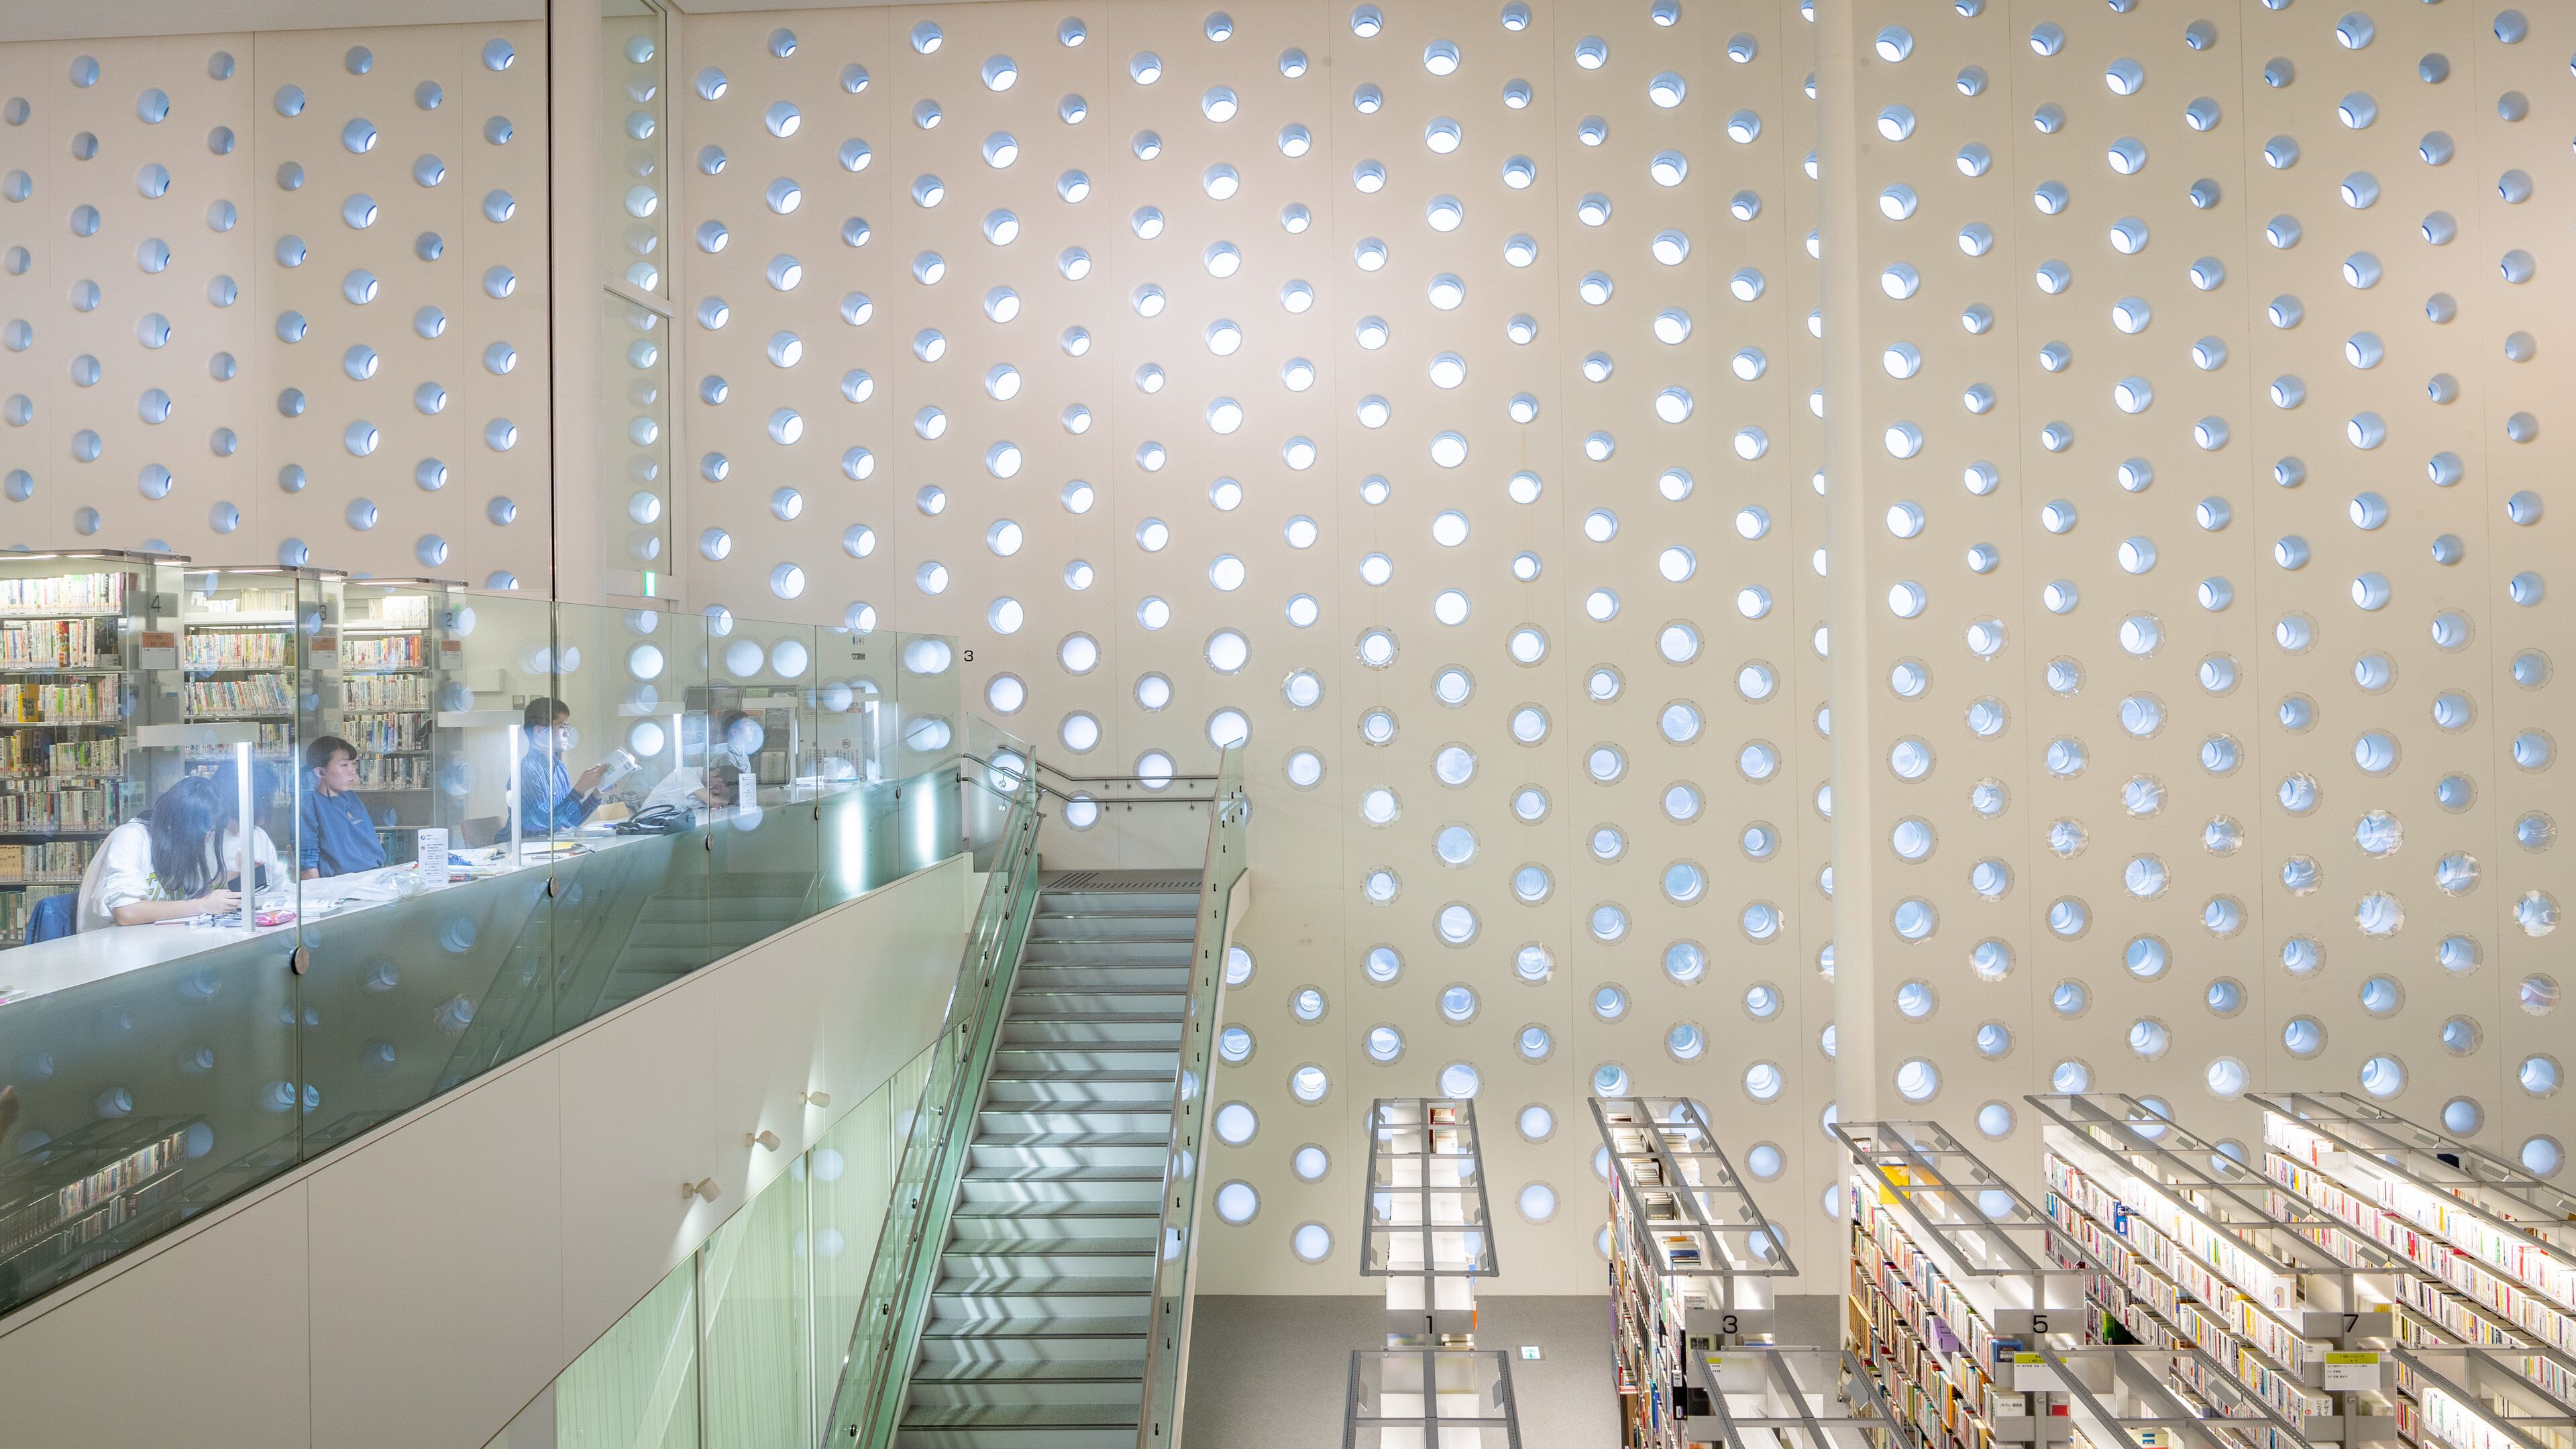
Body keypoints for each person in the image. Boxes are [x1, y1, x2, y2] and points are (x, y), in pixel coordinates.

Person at [75, 773, 284, 931]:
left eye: (211, 831)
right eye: (204, 831)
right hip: (110, 952)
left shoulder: (179, 845)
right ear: (180, 823)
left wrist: (228, 886)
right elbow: (127, 913)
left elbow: (187, 896)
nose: (207, 839)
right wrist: (202, 905)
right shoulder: (131, 838)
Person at [299, 735, 387, 878]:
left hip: (373, 878)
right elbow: (307, 864)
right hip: (339, 887)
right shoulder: (307, 802)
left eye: (353, 764)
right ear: (320, 771)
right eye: (344, 765)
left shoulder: (350, 796)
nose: (352, 771)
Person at [518, 696, 606, 836]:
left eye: (567, 727)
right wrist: (580, 788)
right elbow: (544, 822)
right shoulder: (527, 771)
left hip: (549, 848)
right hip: (526, 849)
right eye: (561, 726)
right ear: (540, 731)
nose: (567, 733)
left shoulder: (559, 767)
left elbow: (569, 820)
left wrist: (598, 792)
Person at [636, 761, 741, 816]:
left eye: (719, 793)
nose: (716, 791)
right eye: (719, 785)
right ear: (716, 771)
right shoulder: (685, 773)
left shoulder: (703, 787)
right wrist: (726, 801)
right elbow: (713, 802)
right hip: (644, 828)